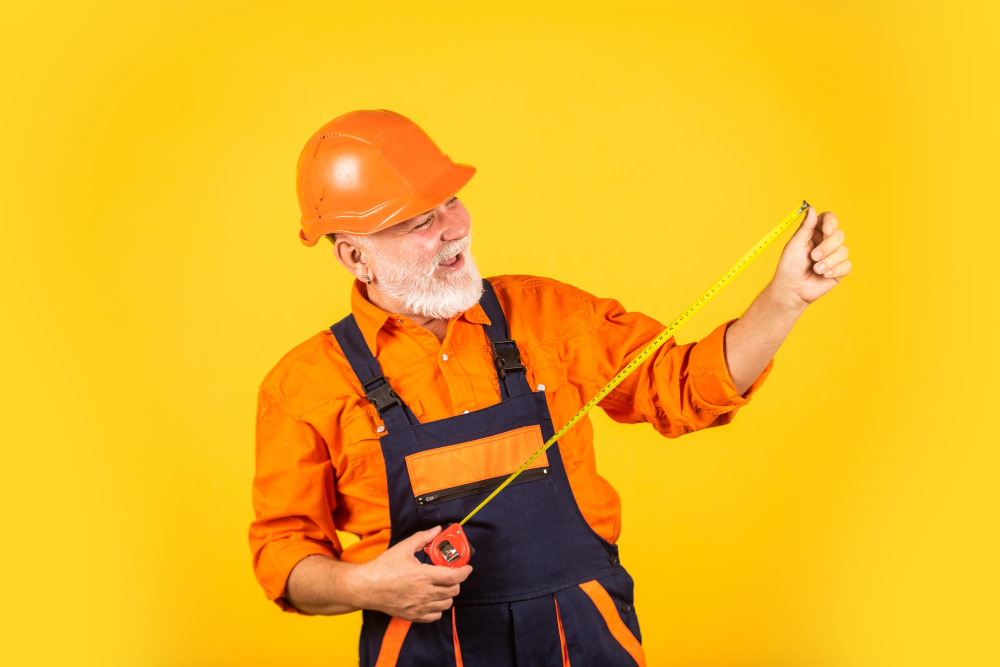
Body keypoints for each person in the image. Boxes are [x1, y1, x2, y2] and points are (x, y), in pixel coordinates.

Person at [248, 109, 852, 666]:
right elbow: (284, 554)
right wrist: (360, 585)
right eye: (419, 220)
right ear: (355, 256)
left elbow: (684, 388)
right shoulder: (303, 388)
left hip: (585, 640)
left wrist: (784, 300)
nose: (455, 228)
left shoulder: (547, 316)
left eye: (452, 200)